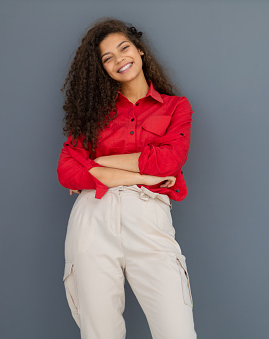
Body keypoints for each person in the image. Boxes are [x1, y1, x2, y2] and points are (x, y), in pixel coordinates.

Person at [56, 17, 197, 339]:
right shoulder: (92, 113)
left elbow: (170, 160)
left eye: (124, 48)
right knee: (99, 332)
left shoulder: (176, 107)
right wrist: (147, 174)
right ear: (102, 68)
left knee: (177, 331)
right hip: (93, 219)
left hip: (148, 219)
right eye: (108, 57)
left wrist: (97, 164)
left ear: (140, 50)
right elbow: (66, 170)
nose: (119, 59)